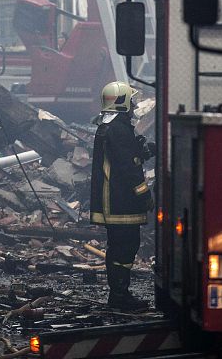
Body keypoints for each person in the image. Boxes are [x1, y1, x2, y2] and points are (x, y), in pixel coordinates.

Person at [90, 81, 155, 312]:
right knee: (126, 246)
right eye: (130, 100)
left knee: (118, 247)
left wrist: (143, 150)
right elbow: (129, 167)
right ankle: (120, 295)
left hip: (113, 201)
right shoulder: (118, 129)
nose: (134, 105)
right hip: (120, 202)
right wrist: (145, 195)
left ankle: (118, 294)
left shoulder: (108, 126)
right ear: (121, 102)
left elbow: (124, 157)